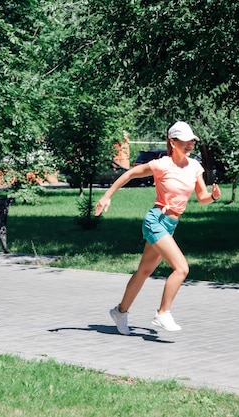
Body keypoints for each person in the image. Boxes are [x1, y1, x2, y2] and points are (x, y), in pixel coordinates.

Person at [94, 121, 221, 335]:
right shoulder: (162, 164)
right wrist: (107, 196)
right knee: (181, 268)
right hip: (156, 221)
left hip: (171, 224)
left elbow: (202, 198)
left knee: (144, 271)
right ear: (172, 142)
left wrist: (213, 197)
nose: (190, 144)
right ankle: (163, 313)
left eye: (192, 141)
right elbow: (130, 174)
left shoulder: (195, 167)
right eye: (185, 141)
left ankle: (120, 311)